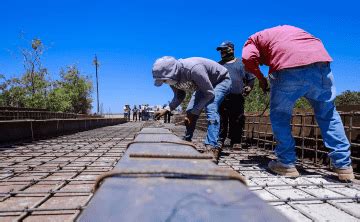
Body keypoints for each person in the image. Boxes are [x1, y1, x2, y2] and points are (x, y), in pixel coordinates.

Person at [242, 25, 354, 180]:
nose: (263, 63)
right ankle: (343, 166)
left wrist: (261, 79)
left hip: (287, 67)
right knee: (328, 114)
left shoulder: (252, 40)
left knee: (280, 116)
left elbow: (248, 58)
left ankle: (286, 164)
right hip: (320, 64)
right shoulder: (288, 31)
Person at [152, 56, 231, 162]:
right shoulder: (171, 78)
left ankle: (212, 147)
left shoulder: (194, 68)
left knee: (211, 107)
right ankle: (187, 140)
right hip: (203, 86)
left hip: (220, 81)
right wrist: (167, 109)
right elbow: (179, 95)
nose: (165, 83)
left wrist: (194, 112)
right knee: (190, 111)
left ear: (172, 73)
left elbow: (209, 94)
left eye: (165, 80)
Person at [216, 41, 255, 148]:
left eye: (223, 49)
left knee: (237, 119)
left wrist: (249, 87)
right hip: (222, 98)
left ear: (231, 49)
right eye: (220, 50)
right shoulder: (218, 65)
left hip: (237, 97)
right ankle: (220, 140)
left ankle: (236, 141)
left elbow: (250, 79)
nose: (221, 52)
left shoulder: (242, 64)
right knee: (221, 119)